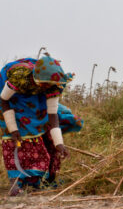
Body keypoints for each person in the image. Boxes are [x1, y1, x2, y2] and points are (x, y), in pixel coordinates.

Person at [1, 56, 83, 195]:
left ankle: (35, 182)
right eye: (45, 85)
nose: (47, 87)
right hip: (10, 100)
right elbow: (3, 100)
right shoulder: (20, 77)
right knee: (18, 137)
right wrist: (13, 127)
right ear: (38, 80)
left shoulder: (53, 85)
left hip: (36, 101)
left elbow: (52, 115)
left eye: (49, 86)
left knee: (41, 132)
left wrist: (59, 144)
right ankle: (15, 184)